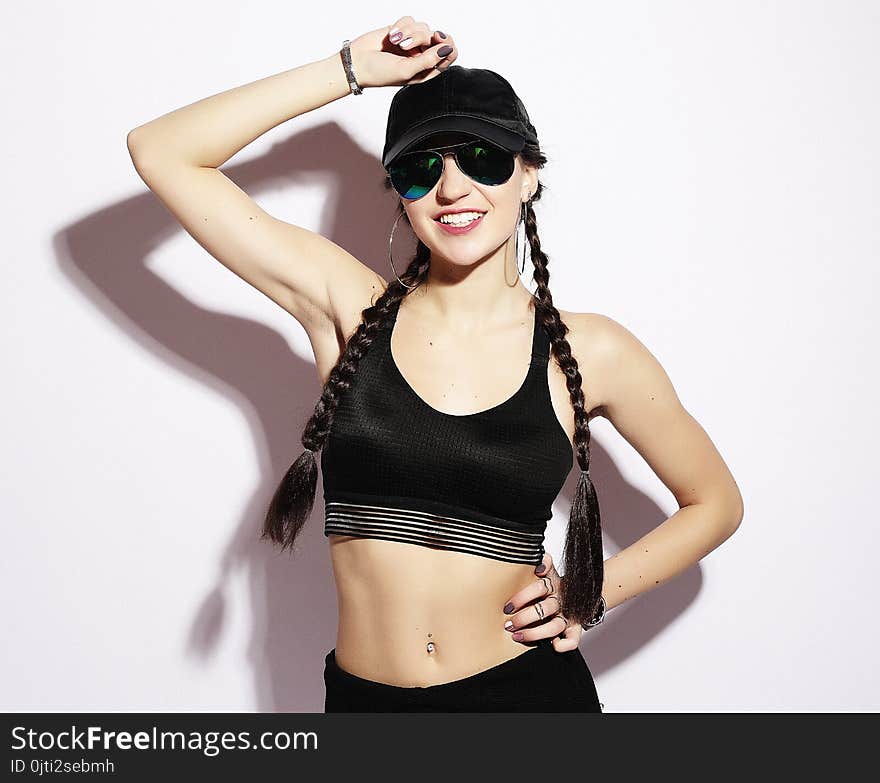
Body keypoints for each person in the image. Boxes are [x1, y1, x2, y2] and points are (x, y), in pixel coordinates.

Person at [127, 16, 744, 713]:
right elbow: (161, 152)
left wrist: (590, 590)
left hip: (526, 702)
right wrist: (351, 70)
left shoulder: (591, 349)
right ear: (400, 194)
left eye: (482, 159)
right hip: (365, 706)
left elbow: (716, 502)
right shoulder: (348, 307)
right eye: (421, 169)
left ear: (529, 175)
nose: (452, 189)